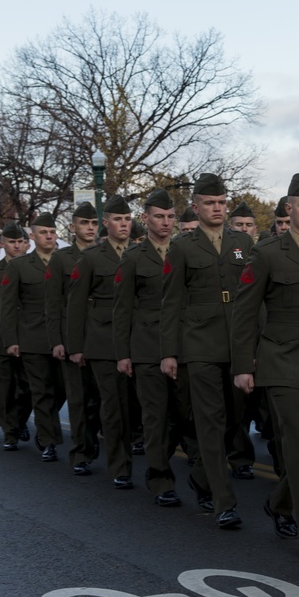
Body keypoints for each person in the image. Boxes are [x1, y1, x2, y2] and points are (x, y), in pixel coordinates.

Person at [233, 173, 299, 561]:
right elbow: (244, 312)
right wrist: (244, 365)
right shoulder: (267, 253)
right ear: (289, 210)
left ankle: (279, 502)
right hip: (282, 360)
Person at [160, 172, 255, 529]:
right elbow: (171, 304)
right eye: (210, 203)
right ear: (196, 206)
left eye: (221, 202)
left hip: (237, 344)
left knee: (234, 418)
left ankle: (201, 477)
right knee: (210, 423)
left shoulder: (243, 244)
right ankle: (223, 501)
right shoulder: (182, 247)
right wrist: (170, 352)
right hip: (199, 345)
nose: (217, 208)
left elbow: (254, 299)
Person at [113, 188, 196, 507]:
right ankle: (160, 478)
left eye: (170, 217)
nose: (165, 222)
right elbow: (122, 309)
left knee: (184, 414)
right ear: (145, 219)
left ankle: (175, 462)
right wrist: (123, 354)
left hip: (182, 345)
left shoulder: (183, 252)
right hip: (146, 348)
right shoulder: (133, 258)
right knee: (154, 415)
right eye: (158, 216)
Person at [67, 196, 133, 487]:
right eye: (118, 219)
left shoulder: (140, 253)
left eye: (127, 219)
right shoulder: (92, 258)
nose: (123, 224)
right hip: (103, 341)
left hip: (138, 337)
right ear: (106, 223)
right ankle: (120, 467)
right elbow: (76, 305)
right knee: (113, 404)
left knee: (138, 406)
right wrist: (76, 346)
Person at [1, 215, 66, 463]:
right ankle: (49, 440)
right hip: (32, 337)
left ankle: (37, 428)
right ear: (33, 237)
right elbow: (8, 306)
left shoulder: (70, 261)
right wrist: (11, 339)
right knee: (41, 390)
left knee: (62, 388)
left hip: (63, 337)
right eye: (43, 232)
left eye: (52, 231)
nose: (49, 236)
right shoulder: (19, 266)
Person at [44, 202, 102, 472]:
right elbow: (53, 302)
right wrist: (57, 340)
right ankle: (81, 453)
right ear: (73, 227)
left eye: (93, 223)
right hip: (72, 336)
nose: (89, 228)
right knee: (78, 399)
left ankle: (94, 439)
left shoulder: (107, 254)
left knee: (100, 398)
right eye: (84, 223)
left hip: (102, 335)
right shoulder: (61, 258)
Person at [0, 224, 34, 451]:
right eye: (12, 242)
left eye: (21, 241)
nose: (17, 245)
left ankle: (18, 421)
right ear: (2, 244)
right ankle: (10, 432)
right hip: (1, 338)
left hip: (30, 335)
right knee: (5, 388)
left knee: (30, 386)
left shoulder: (34, 269)